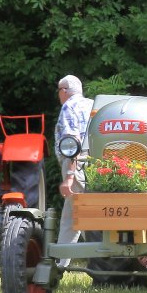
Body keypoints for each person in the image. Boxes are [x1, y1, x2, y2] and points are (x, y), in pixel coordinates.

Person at [54, 74, 93, 263]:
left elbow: (72, 143)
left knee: (75, 212)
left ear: (64, 91)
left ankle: (62, 261)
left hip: (75, 163)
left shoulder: (69, 106)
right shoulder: (91, 104)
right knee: (78, 212)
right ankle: (63, 260)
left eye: (58, 91)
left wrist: (69, 176)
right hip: (92, 162)